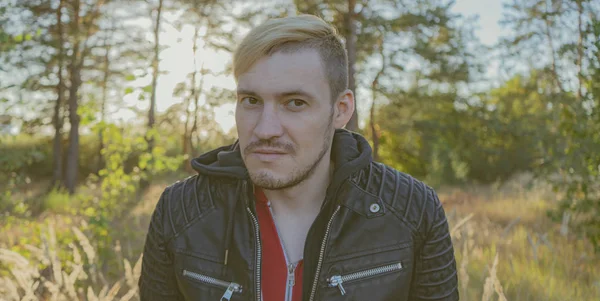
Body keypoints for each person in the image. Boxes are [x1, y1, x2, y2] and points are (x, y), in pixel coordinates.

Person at [138, 14, 458, 301]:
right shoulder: (180, 211)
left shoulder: (411, 210)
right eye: (251, 100)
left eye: (294, 103)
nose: (265, 129)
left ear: (340, 110)